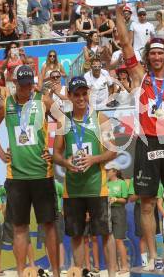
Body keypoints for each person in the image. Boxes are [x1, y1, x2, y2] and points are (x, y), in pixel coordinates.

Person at [115, 3, 164, 271]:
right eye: (153, 53)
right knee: (146, 204)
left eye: (161, 53)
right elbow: (124, 44)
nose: (157, 57)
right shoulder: (140, 76)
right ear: (148, 57)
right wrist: (117, 13)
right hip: (146, 141)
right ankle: (153, 257)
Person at [0, 65, 60, 277]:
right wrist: (1, 154)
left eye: (30, 84)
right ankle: (20, 272)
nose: (27, 88)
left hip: (42, 174)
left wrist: (55, 154)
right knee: (19, 227)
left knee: (49, 226)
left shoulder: (43, 101)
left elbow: (64, 122)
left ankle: (55, 272)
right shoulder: (4, 105)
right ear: (15, 84)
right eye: (23, 84)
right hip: (16, 176)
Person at [52, 76, 117, 277]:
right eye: (76, 94)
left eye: (83, 93)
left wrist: (93, 159)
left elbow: (113, 151)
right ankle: (79, 272)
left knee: (105, 234)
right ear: (69, 96)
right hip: (73, 190)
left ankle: (113, 274)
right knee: (77, 235)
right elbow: (55, 155)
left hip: (97, 186)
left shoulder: (101, 119)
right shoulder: (63, 121)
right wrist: (66, 163)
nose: (80, 98)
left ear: (88, 93)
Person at [107, 167, 129, 273]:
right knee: (110, 240)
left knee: (118, 239)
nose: (106, 172)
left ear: (114, 172)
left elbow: (125, 200)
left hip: (118, 211)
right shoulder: (105, 184)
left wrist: (115, 199)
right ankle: (114, 266)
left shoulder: (122, 183)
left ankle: (125, 266)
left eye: (108, 170)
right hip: (107, 211)